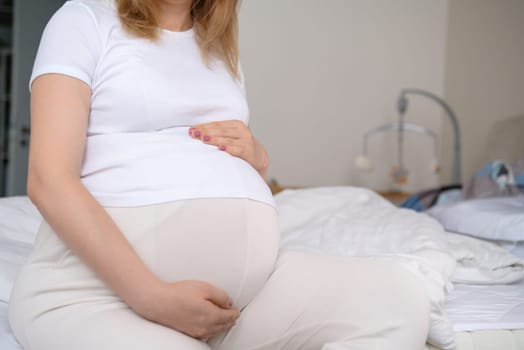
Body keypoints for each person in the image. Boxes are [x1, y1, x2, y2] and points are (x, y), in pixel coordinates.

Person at [8, 0, 430, 349]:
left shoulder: (216, 48)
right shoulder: (83, 20)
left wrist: (259, 160)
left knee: (397, 299)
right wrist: (151, 296)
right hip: (93, 297)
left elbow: (213, 174)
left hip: (235, 308)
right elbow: (48, 179)